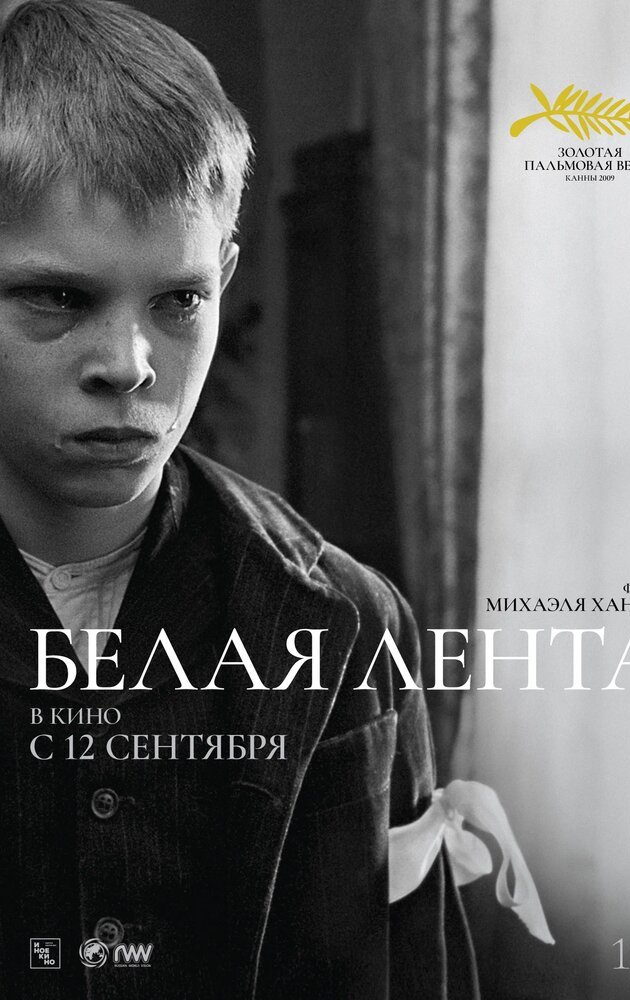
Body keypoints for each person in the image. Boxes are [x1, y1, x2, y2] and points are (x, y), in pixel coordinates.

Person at [0, 1, 479, 996]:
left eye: (178, 300)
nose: (130, 364)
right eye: (59, 296)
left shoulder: (342, 625)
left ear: (223, 277)